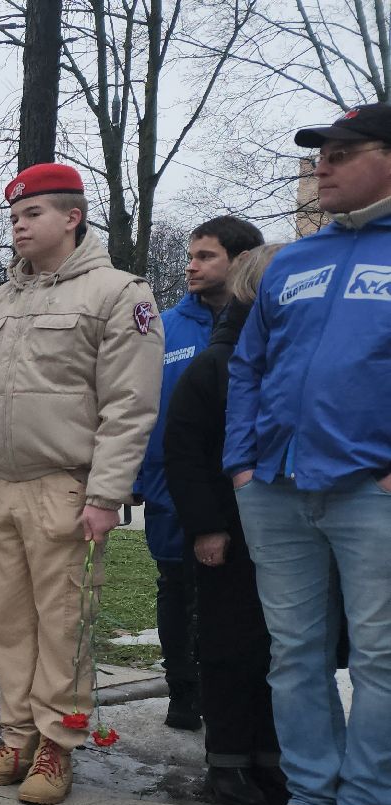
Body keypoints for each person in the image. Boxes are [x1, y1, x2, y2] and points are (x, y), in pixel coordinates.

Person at [0, 165, 162, 805]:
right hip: (1, 488)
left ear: (72, 217)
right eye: (14, 215)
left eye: (33, 213)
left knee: (62, 623)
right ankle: (15, 738)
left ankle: (56, 744)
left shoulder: (117, 293)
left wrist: (106, 495)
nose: (18, 224)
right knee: (6, 624)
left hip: (66, 488)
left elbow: (129, 404)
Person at [223, 104, 391, 805]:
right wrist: (243, 463)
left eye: (343, 152)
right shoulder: (292, 260)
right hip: (277, 485)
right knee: (294, 652)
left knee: (382, 658)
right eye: (320, 154)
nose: (322, 166)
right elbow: (247, 366)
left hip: (372, 492)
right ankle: (313, 799)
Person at [164, 243, 286, 805]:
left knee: (278, 649)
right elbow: (184, 453)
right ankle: (228, 764)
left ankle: (271, 758)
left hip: (283, 532)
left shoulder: (282, 356)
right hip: (226, 537)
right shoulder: (215, 364)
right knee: (227, 646)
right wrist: (207, 528)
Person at [136, 215, 267, 732]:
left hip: (243, 487)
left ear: (240, 261)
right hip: (172, 486)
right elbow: (142, 405)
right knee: (175, 587)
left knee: (235, 597)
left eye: (205, 256)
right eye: (189, 255)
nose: (191, 266)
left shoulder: (264, 321)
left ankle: (231, 697)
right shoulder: (163, 327)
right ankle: (182, 692)